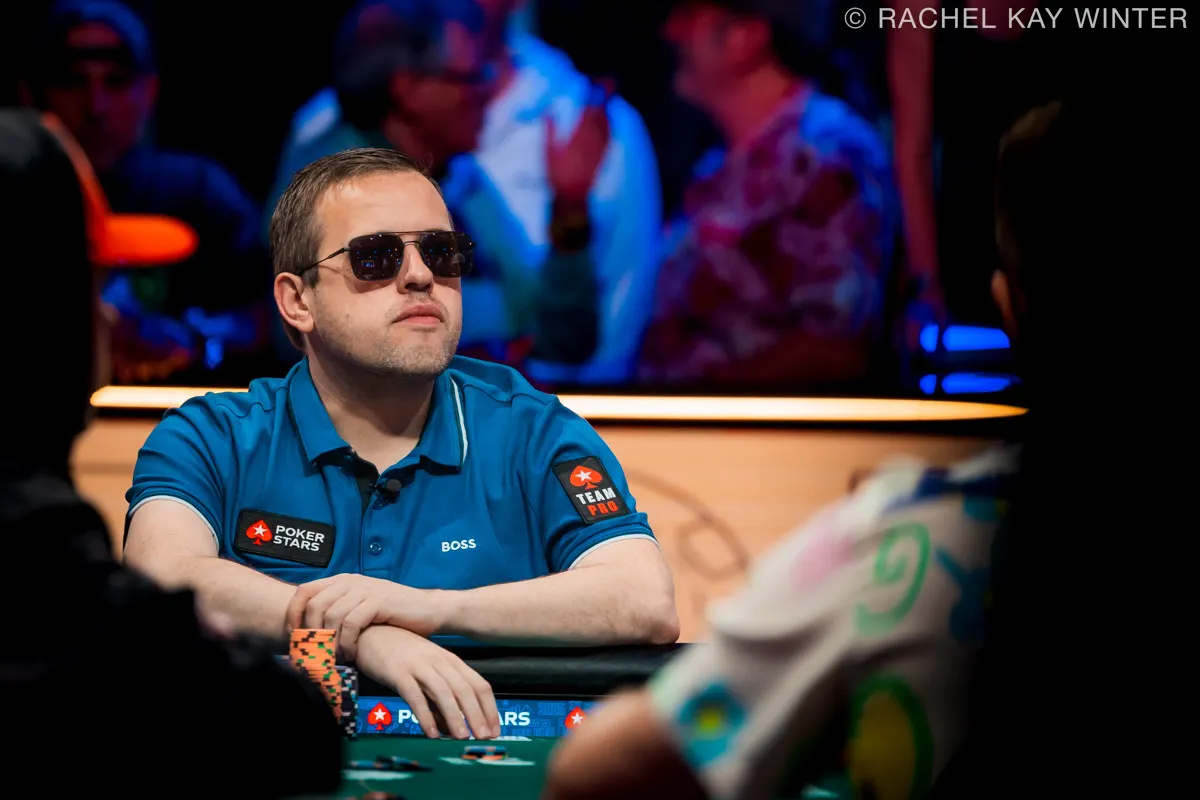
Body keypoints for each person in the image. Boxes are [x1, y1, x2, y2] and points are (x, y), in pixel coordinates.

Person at [123, 147, 680, 742]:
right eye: (376, 256)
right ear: (297, 301)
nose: (420, 276)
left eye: (441, 252)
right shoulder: (212, 435)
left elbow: (644, 600)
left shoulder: (534, 431)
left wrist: (426, 608)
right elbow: (158, 581)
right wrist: (359, 637)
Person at [0, 107, 342, 795]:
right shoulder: (34, 538)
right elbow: (287, 730)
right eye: (93, 284)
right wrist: (350, 630)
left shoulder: (524, 418)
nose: (108, 317)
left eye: (443, 254)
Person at [271, 0, 661, 384]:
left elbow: (559, 337)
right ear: (410, 90)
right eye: (471, 77)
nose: (487, 92)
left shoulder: (461, 177)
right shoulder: (331, 193)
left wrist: (569, 206)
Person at [636, 0, 891, 391]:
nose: (670, 30)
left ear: (747, 37)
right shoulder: (714, 168)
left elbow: (835, 350)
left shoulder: (827, 156)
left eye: (690, 14)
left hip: (754, 427)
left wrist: (708, 402)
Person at [20, 0, 271, 383]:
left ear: (149, 91)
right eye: (73, 81)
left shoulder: (198, 190)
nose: (96, 107)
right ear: (31, 94)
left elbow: (272, 313)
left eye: (116, 82)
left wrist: (196, 338)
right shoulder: (17, 195)